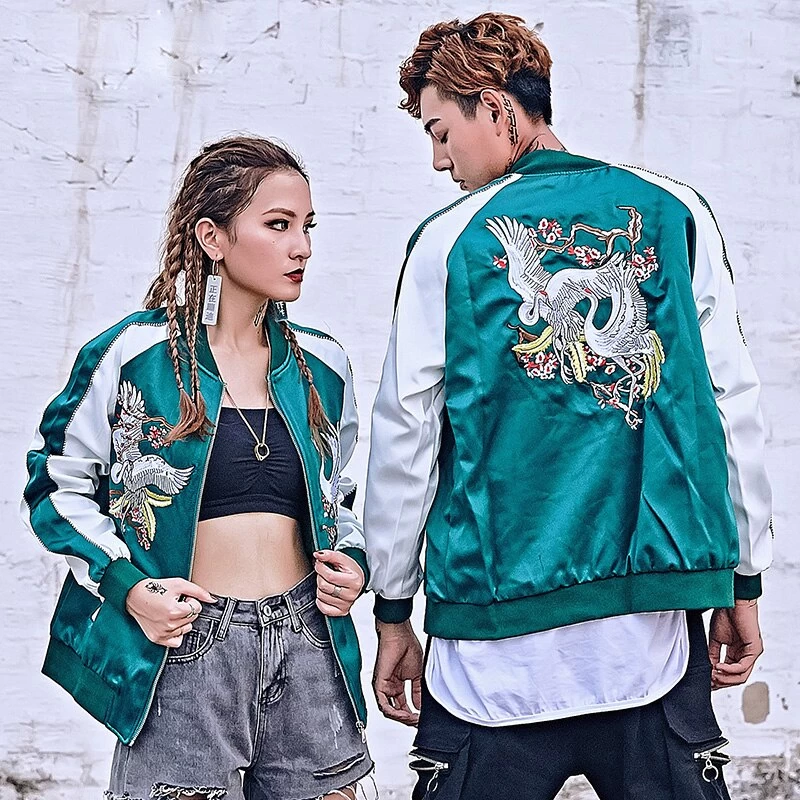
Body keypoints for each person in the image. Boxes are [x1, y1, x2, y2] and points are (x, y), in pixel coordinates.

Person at [363, 13, 772, 800]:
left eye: (442, 133)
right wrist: (744, 579)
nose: (440, 161)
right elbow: (730, 406)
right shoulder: (673, 210)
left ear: (496, 108)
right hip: (648, 638)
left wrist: (392, 607)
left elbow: (405, 434)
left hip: (491, 646)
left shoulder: (449, 240)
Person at [21, 136, 373, 800]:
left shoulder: (323, 365)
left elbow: (336, 495)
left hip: (309, 644)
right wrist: (128, 587)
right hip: (186, 645)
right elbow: (56, 486)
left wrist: (352, 561)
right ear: (213, 237)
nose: (302, 247)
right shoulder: (133, 355)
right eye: (278, 225)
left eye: (307, 226)